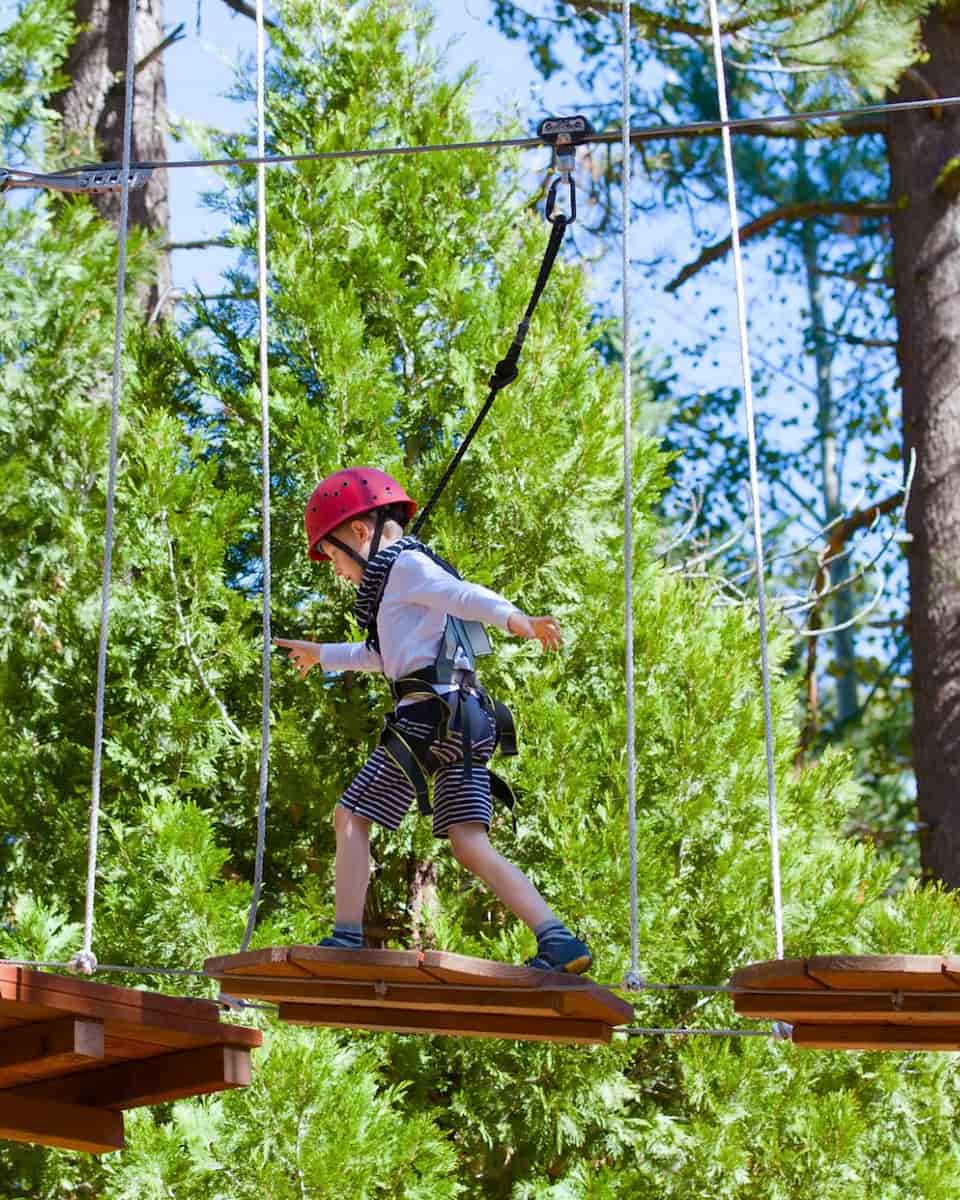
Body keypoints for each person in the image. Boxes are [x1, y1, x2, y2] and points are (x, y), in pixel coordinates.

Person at [274, 465, 593, 974]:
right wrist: (323, 654)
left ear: (361, 532)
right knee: (469, 843)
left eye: (334, 554)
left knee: (351, 816)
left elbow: (463, 596)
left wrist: (517, 621)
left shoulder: (406, 568)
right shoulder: (393, 586)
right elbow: (384, 656)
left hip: (429, 714)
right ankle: (558, 940)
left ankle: (346, 939)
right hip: (467, 717)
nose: (336, 569)